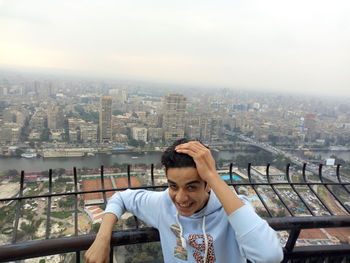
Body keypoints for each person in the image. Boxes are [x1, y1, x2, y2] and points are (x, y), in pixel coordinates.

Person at [85, 139, 283, 263]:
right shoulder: (163, 204)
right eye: (173, 186)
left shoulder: (233, 210)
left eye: (191, 187)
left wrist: (213, 176)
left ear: (208, 184)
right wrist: (102, 239)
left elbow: (270, 256)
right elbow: (120, 198)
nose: (180, 198)